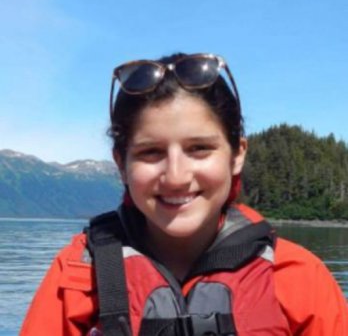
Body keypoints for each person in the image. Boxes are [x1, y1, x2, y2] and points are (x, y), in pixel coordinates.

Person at [20, 53, 348, 336]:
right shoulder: (78, 275)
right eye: (151, 152)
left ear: (237, 155)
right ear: (121, 163)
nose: (176, 176)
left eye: (199, 149)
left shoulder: (299, 278)